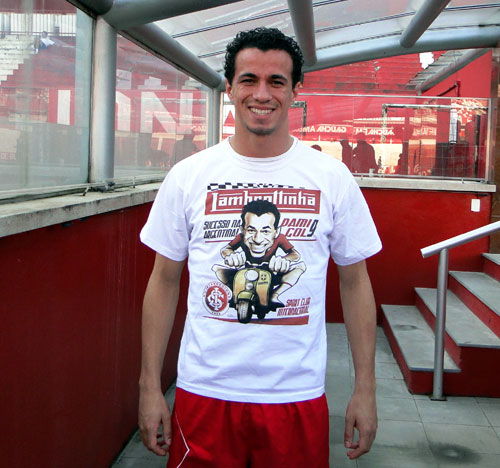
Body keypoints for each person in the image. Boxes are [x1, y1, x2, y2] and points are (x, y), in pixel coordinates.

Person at [139, 27, 381, 467]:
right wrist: (149, 385)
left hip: (296, 394)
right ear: (229, 87)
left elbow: (356, 283)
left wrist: (365, 389)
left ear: (295, 91)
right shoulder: (189, 176)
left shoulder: (331, 178)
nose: (262, 94)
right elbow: (163, 281)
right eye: (249, 80)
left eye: (277, 81)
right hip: (205, 391)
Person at [213, 199, 306, 309]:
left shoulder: (280, 239)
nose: (258, 239)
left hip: (270, 273)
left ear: (276, 232)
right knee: (217, 268)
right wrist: (232, 256)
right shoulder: (241, 237)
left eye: (265, 231)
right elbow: (226, 249)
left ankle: (274, 295)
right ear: (242, 230)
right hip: (244, 273)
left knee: (301, 266)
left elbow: (295, 254)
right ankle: (236, 293)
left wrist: (283, 260)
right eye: (251, 230)